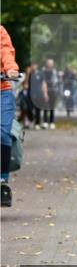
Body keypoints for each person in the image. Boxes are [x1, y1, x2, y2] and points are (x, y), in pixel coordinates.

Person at [1, 26, 20, 207]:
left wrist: (10, 69)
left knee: (2, 133)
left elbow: (5, 50)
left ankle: (2, 180)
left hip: (2, 92)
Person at [40, 58, 58, 129]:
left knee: (52, 107)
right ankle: (45, 122)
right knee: (45, 107)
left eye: (51, 63)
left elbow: (57, 82)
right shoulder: (43, 71)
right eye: (49, 63)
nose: (50, 64)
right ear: (46, 64)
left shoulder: (55, 72)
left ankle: (52, 122)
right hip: (44, 91)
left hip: (53, 91)